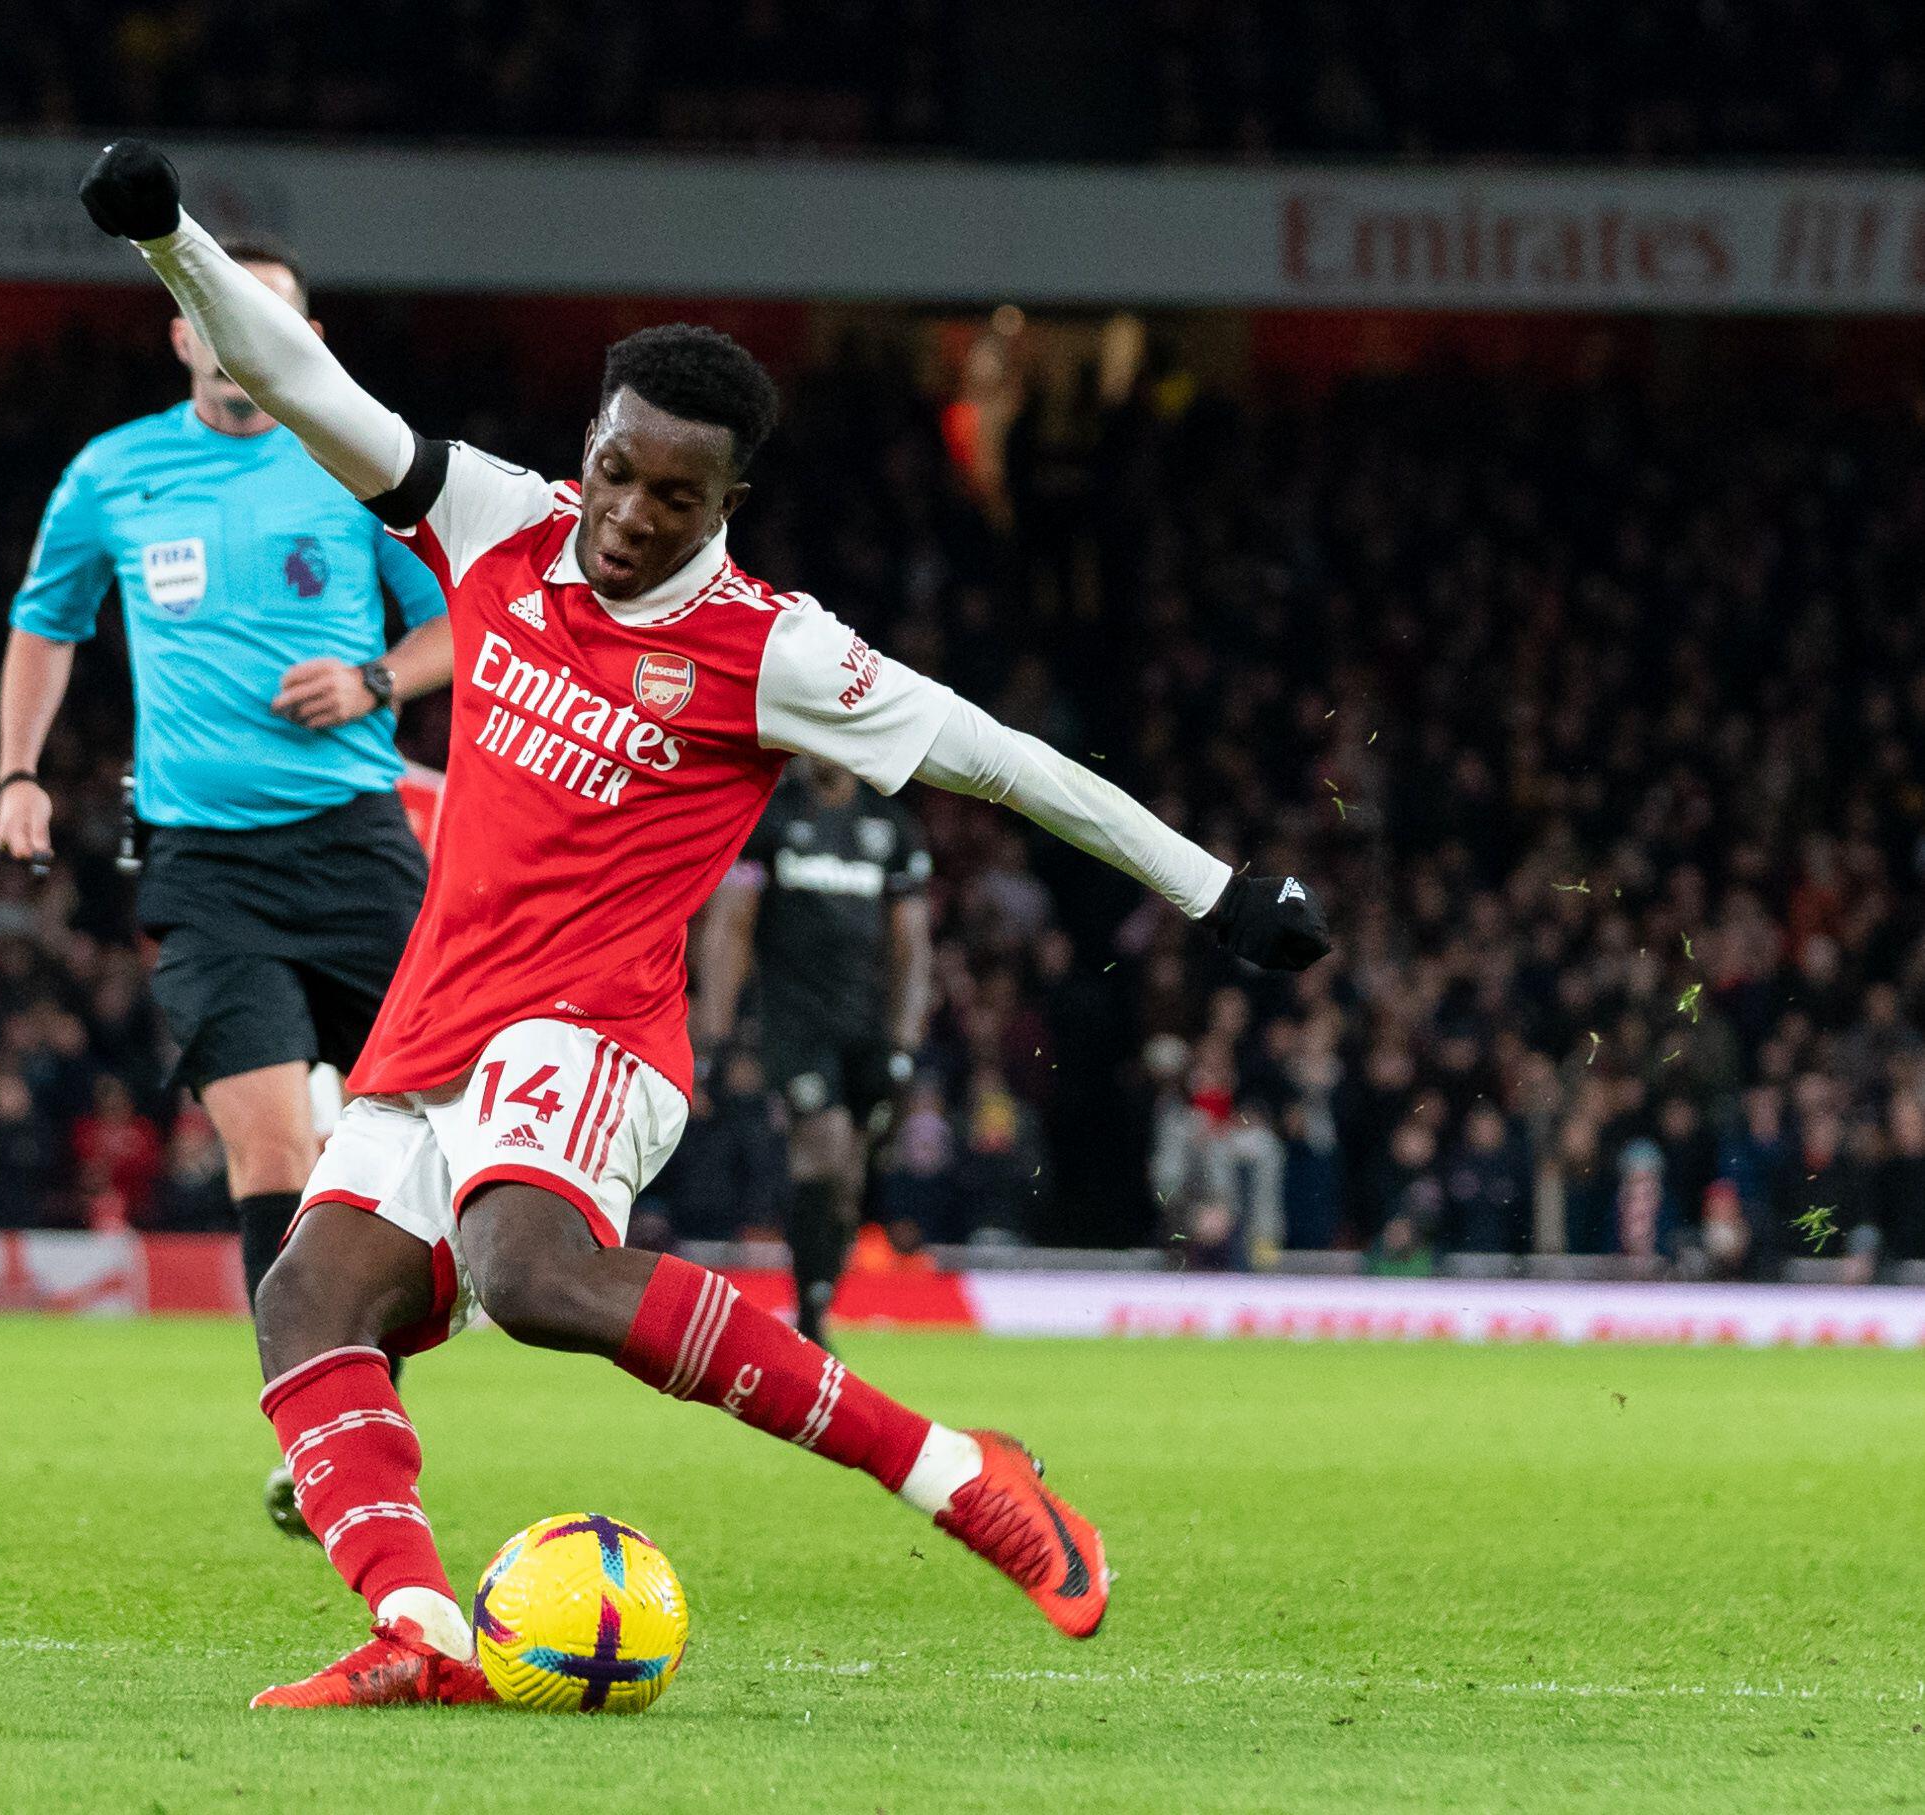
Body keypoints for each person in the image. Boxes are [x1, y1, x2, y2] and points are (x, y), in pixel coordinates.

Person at [83, 141, 1332, 1709]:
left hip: (591, 1026)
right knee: (303, 1301)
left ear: (726, 504)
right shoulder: (495, 526)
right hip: (434, 1022)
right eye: (614, 472)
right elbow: (305, 376)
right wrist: (166, 239)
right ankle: (422, 1630)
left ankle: (957, 1471)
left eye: (674, 498)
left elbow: (1007, 762)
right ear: (588, 448)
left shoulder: (771, 648)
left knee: (527, 1270)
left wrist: (1216, 890)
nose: (624, 517)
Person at [0, 230, 453, 1330]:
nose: (242, 332)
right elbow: (44, 624)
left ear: (307, 339)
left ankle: (385, 1343)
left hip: (354, 840)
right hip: (203, 861)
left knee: (427, 1120)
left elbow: (459, 619)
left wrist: (372, 682)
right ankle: (313, 1414)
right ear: (180, 331)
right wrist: (17, 770)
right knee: (268, 1140)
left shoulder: (360, 464)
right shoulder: (113, 472)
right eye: (219, 309)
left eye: (270, 315)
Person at [693, 756, 933, 1345]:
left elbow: (912, 946)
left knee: (848, 1179)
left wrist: (904, 1041)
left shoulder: (890, 827)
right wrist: (711, 1036)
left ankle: (817, 1303)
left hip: (867, 1028)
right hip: (794, 1023)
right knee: (823, 1152)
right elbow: (732, 924)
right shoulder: (772, 816)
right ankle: (811, 1318)